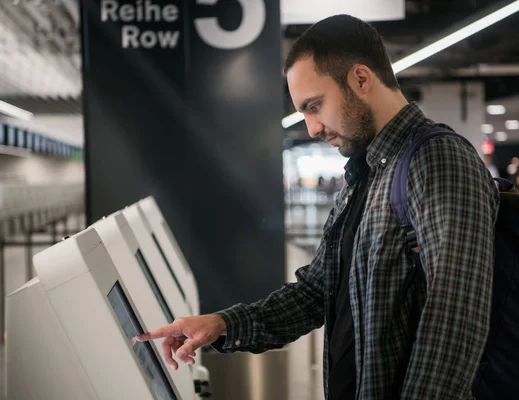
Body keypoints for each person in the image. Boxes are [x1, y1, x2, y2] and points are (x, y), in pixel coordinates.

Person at [136, 14, 499, 399]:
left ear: (361, 79)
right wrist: (223, 324)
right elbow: (315, 293)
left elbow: (455, 322)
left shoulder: (439, 160)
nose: (310, 127)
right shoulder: (367, 175)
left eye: (314, 105)